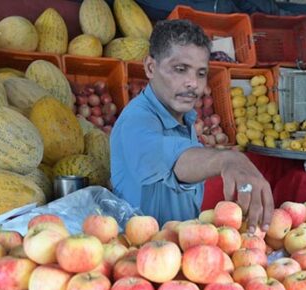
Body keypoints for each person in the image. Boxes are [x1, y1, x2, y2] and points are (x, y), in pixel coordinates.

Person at [110, 19, 273, 231]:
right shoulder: (136, 120)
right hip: (141, 255)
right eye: (180, 69)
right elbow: (173, 160)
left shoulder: (186, 119)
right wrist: (227, 159)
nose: (193, 83)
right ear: (151, 67)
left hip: (182, 250)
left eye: (201, 73)